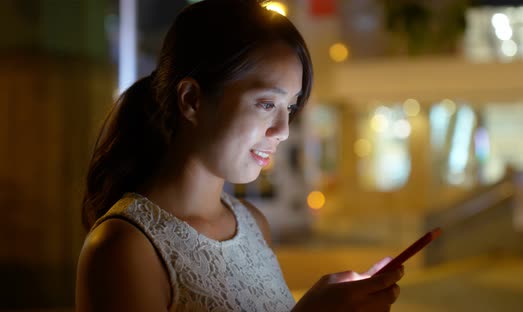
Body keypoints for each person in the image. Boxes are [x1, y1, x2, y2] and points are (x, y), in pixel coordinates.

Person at [75, 0, 404, 311]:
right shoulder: (125, 248)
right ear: (191, 100)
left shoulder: (253, 224)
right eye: (266, 104)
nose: (283, 129)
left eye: (289, 108)